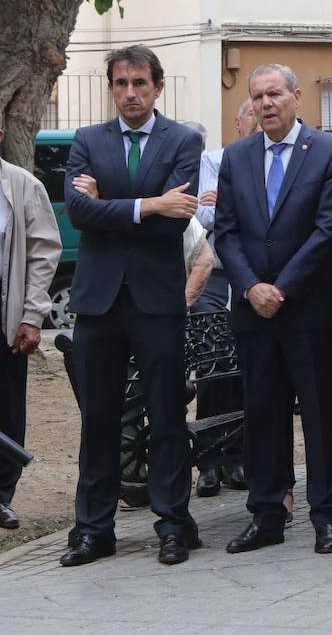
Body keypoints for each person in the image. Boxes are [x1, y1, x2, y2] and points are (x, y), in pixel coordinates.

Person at [61, 44, 204, 567]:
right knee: (99, 418)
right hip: (98, 301)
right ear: (111, 88)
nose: (130, 93)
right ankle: (93, 529)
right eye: (120, 84)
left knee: (166, 416)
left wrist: (110, 205)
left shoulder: (183, 140)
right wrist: (150, 204)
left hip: (156, 300)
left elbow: (176, 219)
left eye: (139, 83)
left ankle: (173, 524)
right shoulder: (88, 140)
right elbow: (79, 213)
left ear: (158, 87)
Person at [210, 64, 332, 556]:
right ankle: (267, 514)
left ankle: (326, 517)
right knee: (262, 413)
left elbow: (329, 228)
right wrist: (252, 287)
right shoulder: (237, 155)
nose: (265, 104)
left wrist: (282, 288)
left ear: (297, 96)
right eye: (257, 97)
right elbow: (226, 231)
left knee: (322, 416)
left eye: (274, 94)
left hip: (311, 310)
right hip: (255, 312)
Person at [191, 99, 256, 499]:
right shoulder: (211, 162)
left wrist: (228, 205)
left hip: (255, 280)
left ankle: (237, 457)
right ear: (237, 122)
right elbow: (201, 218)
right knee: (212, 367)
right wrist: (230, 209)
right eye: (252, 111)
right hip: (214, 278)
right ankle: (208, 462)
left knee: (246, 367)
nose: (260, 116)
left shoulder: (271, 167)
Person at [0, 116, 62, 530]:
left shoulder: (22, 185)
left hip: (5, 315)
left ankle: (2, 494)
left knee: (6, 408)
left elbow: (44, 252)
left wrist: (32, 315)